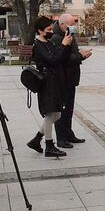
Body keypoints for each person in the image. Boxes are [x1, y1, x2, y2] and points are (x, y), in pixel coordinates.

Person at [28, 16, 72, 157]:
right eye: (48, 30)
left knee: (57, 114)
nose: (51, 31)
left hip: (55, 81)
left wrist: (66, 45)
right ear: (40, 31)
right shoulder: (38, 45)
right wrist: (63, 45)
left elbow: (60, 59)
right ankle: (49, 145)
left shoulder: (47, 42)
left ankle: (37, 139)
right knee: (50, 114)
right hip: (47, 84)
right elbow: (52, 60)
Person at [51, 14, 92, 147]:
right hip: (61, 78)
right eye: (70, 24)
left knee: (69, 109)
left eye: (74, 24)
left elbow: (72, 53)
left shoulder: (69, 35)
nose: (73, 27)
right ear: (62, 25)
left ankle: (69, 133)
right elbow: (64, 59)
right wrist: (81, 55)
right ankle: (61, 138)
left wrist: (81, 54)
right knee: (61, 110)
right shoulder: (57, 38)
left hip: (71, 78)